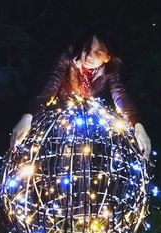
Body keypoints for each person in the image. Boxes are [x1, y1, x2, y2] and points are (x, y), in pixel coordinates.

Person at [10, 29, 151, 160]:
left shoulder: (110, 69)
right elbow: (49, 86)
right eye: (87, 48)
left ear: (107, 57)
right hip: (59, 119)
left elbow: (120, 95)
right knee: (61, 160)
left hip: (85, 123)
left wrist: (138, 126)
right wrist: (28, 116)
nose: (89, 56)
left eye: (98, 53)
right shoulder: (68, 56)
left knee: (82, 160)